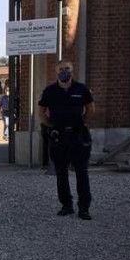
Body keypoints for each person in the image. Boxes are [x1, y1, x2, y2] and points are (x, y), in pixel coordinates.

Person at [38, 59, 94, 220]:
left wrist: (83, 123)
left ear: (72, 69)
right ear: (56, 72)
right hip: (59, 136)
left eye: (67, 68)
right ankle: (66, 205)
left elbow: (90, 108)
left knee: (82, 172)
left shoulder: (82, 89)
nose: (65, 72)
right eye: (61, 69)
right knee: (61, 172)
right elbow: (41, 111)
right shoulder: (49, 91)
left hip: (78, 135)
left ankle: (84, 208)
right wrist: (50, 125)